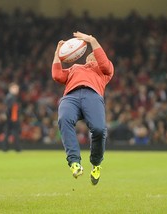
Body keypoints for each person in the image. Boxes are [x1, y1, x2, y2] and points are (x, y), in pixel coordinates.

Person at [52, 31, 114, 186]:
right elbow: (57, 75)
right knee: (64, 119)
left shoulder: (104, 70)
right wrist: (57, 54)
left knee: (99, 129)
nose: (93, 55)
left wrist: (92, 40)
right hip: (71, 96)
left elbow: (104, 63)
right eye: (91, 54)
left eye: (96, 54)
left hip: (92, 95)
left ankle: (96, 163)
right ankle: (74, 162)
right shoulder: (75, 68)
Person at [2, 83, 21, 152]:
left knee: (9, 133)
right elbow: (7, 108)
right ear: (10, 89)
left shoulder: (12, 97)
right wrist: (6, 115)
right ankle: (15, 148)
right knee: (11, 133)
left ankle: (7, 148)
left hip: (12, 118)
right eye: (15, 88)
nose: (17, 90)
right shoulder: (10, 97)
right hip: (11, 118)